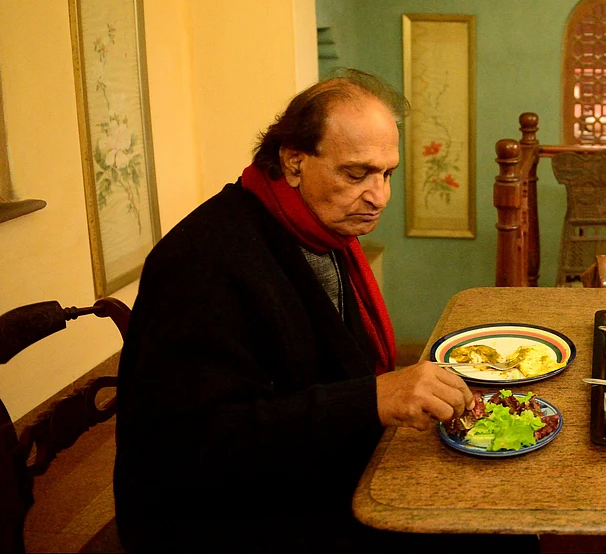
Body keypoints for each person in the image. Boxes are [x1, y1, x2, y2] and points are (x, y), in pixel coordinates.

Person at [114, 70, 474, 551]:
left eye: (387, 173)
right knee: (477, 529)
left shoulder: (315, 230)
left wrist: (380, 396)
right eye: (356, 173)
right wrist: (371, 399)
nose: (379, 196)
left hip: (296, 469)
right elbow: (192, 443)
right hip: (225, 517)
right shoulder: (206, 261)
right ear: (294, 161)